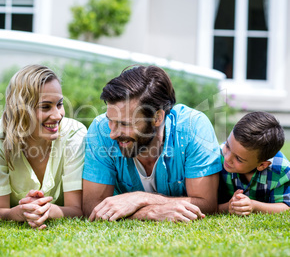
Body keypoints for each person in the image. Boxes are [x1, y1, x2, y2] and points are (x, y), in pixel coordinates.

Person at [83, 65, 222, 222]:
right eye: (110, 121)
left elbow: (207, 204)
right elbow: (92, 207)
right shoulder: (100, 129)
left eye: (125, 124)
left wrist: (139, 199)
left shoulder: (193, 127)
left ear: (157, 118)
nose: (112, 134)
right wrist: (149, 213)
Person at [0, 64, 86, 229]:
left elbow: (77, 209)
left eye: (59, 104)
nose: (58, 115)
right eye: (45, 107)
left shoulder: (74, 133)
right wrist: (21, 212)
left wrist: (50, 211)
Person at [218, 112, 290, 215]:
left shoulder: (281, 170)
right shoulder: (215, 158)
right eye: (228, 146)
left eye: (239, 158)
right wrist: (229, 206)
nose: (227, 158)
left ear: (262, 165)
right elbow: (208, 204)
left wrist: (254, 206)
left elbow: (287, 206)